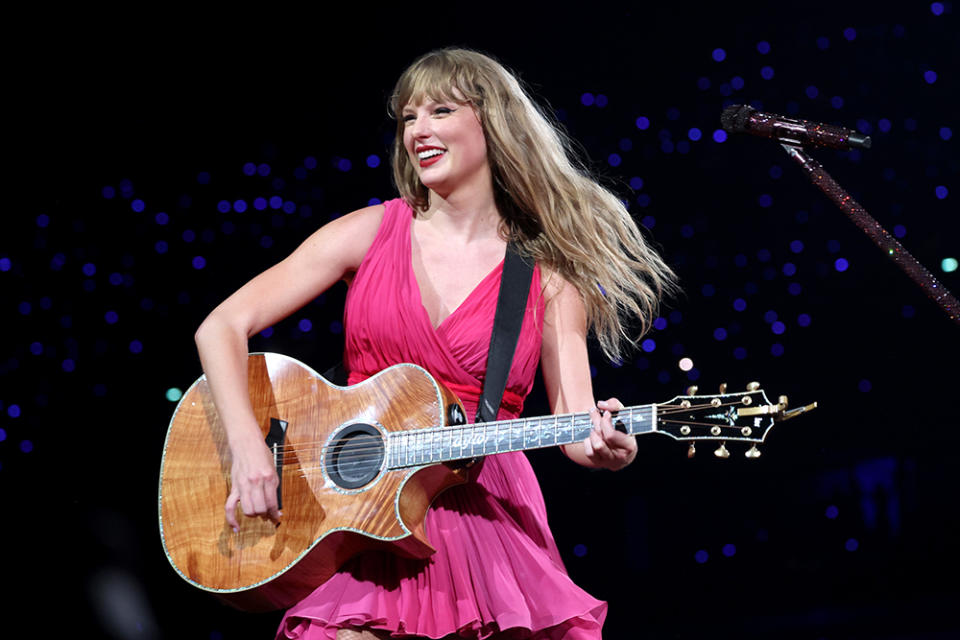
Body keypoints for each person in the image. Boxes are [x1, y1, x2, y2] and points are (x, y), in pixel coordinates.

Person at [194, 48, 676, 640]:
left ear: (492, 123)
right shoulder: (367, 232)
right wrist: (248, 450)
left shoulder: (547, 275)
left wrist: (606, 446)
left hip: (481, 511)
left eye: (440, 110)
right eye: (407, 118)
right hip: (364, 508)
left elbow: (575, 422)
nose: (418, 130)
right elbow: (220, 325)